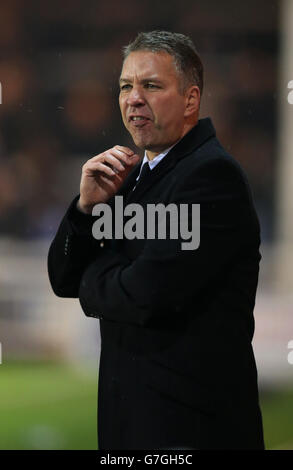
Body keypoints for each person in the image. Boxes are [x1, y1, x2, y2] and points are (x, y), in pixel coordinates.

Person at [48, 31, 264, 450]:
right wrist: (85, 207)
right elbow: (62, 278)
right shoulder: (128, 179)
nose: (133, 98)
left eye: (151, 85)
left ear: (190, 99)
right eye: (126, 86)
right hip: (133, 425)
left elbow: (146, 293)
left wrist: (94, 281)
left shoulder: (210, 177)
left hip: (190, 431)